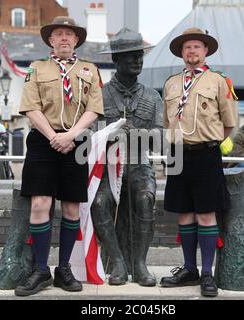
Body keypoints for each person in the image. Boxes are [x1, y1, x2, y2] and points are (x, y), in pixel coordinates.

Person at [14, 16, 104, 296]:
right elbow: (30, 107)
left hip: (75, 141)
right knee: (40, 204)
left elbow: (94, 109)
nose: (64, 38)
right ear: (50, 40)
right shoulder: (36, 68)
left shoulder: (89, 69)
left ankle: (63, 269)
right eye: (59, 34)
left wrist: (71, 134)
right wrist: (53, 136)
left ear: (76, 40)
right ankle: (41, 270)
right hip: (43, 141)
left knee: (71, 207)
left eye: (69, 34)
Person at [159, 28, 238, 297]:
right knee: (184, 212)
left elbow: (228, 124)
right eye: (187, 48)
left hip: (206, 153)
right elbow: (167, 122)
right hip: (178, 153)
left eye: (196, 47)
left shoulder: (218, 81)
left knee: (206, 213)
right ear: (182, 53)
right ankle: (189, 268)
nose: (192, 51)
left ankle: (207, 273)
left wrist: (209, 141)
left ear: (205, 51)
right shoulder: (171, 83)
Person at [92, 28, 162, 286]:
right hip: (108, 166)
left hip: (139, 164)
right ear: (116, 61)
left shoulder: (153, 97)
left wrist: (140, 134)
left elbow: (161, 138)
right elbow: (89, 135)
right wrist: (109, 135)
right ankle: (118, 262)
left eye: (140, 55)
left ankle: (140, 263)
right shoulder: (100, 96)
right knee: (99, 203)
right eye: (131, 56)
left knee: (145, 198)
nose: (137, 60)